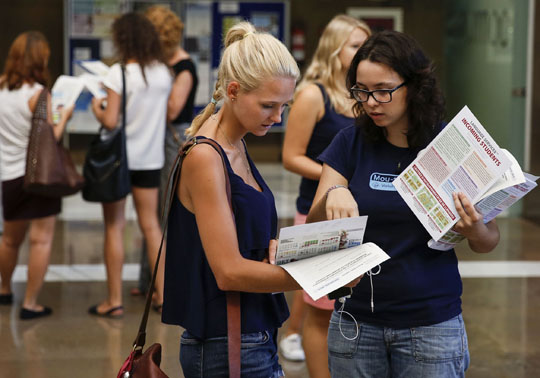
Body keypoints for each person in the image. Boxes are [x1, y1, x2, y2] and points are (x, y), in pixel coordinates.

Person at [162, 22, 362, 377]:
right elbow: (228, 272)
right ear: (234, 90)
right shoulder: (207, 156)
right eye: (269, 105)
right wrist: (320, 275)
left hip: (249, 336)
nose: (278, 117)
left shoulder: (235, 142)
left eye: (285, 104)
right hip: (228, 344)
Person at [307, 30, 500, 377]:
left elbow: (488, 241)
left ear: (413, 86)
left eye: (383, 90)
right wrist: (331, 195)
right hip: (357, 323)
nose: (371, 102)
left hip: (431, 326)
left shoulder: (448, 145)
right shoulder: (349, 142)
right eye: (362, 91)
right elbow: (314, 228)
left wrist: (475, 229)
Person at [280, 14, 371, 373]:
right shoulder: (312, 94)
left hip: (357, 214)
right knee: (321, 309)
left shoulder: (365, 97)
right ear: (335, 51)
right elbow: (290, 157)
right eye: (355, 46)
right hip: (317, 212)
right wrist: (338, 178)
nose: (364, 52)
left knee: (344, 305)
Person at [88, 12, 172, 318]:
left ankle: (114, 301)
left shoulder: (118, 74)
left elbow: (110, 121)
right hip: (150, 159)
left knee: (115, 226)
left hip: (119, 161)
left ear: (123, 40)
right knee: (151, 225)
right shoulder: (163, 73)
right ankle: (163, 296)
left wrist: (98, 107)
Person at [0, 31, 74, 320]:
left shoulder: (2, 86)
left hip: (8, 175)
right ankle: (30, 303)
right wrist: (64, 116)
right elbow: (50, 137)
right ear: (39, 59)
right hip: (38, 178)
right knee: (41, 240)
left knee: (9, 239)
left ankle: (4, 289)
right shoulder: (40, 95)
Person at [128, 6, 199, 298]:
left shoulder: (183, 67)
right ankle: (148, 282)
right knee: (151, 216)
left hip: (172, 139)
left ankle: (164, 288)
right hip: (156, 139)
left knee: (164, 214)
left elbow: (172, 110)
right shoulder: (158, 64)